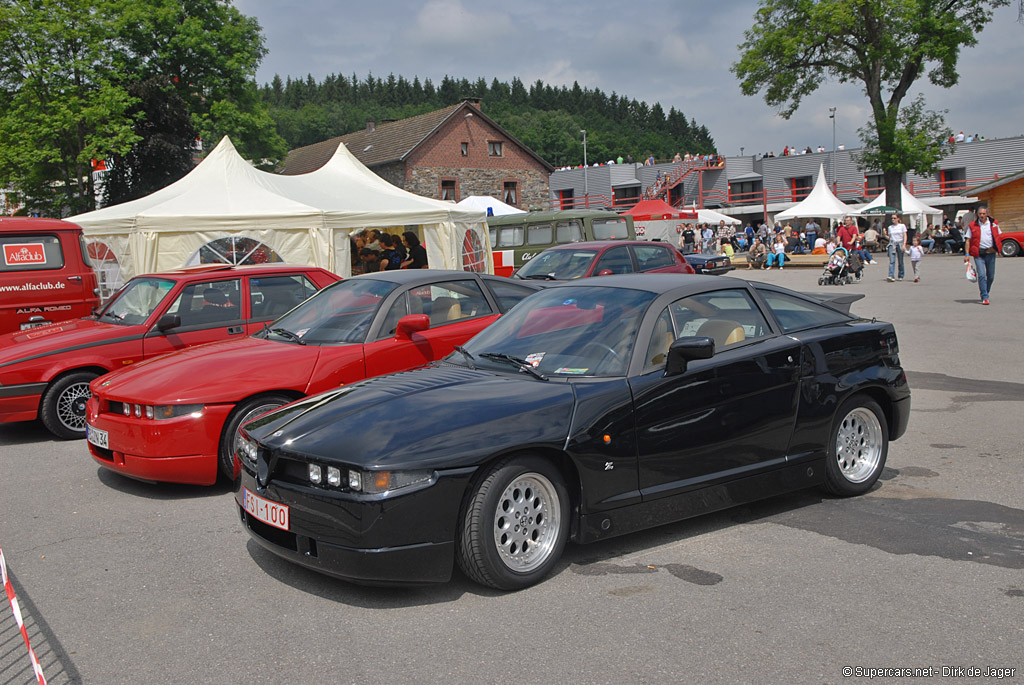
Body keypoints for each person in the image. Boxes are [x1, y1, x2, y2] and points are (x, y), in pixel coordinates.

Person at [963, 206, 1002, 304]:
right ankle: (985, 296)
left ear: (987, 214)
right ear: (977, 214)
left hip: (990, 252)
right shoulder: (973, 225)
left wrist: (997, 248)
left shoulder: (993, 224)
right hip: (978, 253)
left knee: (991, 276)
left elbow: (998, 237)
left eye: (984, 214)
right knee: (981, 275)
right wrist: (967, 254)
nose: (982, 216)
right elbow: (968, 240)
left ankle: (985, 291)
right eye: (980, 214)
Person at [886, 213, 907, 282]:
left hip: (900, 243)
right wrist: (884, 234)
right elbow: (889, 237)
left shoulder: (902, 226)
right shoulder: (890, 227)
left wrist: (904, 244)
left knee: (900, 261)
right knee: (892, 261)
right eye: (892, 218)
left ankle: (901, 275)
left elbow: (905, 235)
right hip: (892, 244)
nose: (893, 219)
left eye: (894, 218)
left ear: (898, 219)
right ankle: (891, 275)